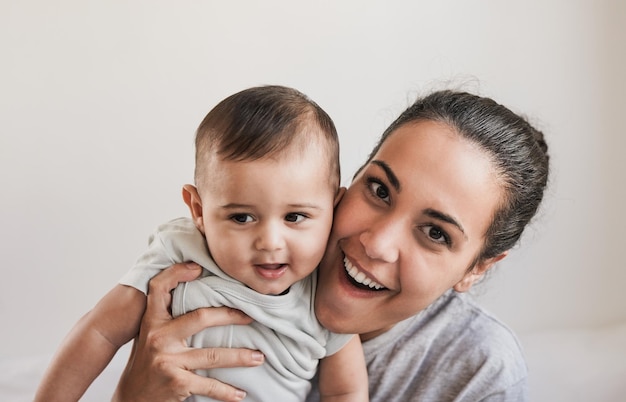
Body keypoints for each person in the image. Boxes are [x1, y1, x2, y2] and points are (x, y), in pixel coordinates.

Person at [111, 89, 550, 402]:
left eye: (436, 233)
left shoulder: (479, 371)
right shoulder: (217, 264)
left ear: (477, 268)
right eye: (379, 190)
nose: (377, 244)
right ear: (343, 186)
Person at [34, 85, 368, 402]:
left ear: (333, 208)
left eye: (294, 217)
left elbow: (345, 392)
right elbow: (99, 333)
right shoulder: (180, 252)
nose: (270, 242)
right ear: (198, 210)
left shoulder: (325, 293)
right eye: (241, 218)